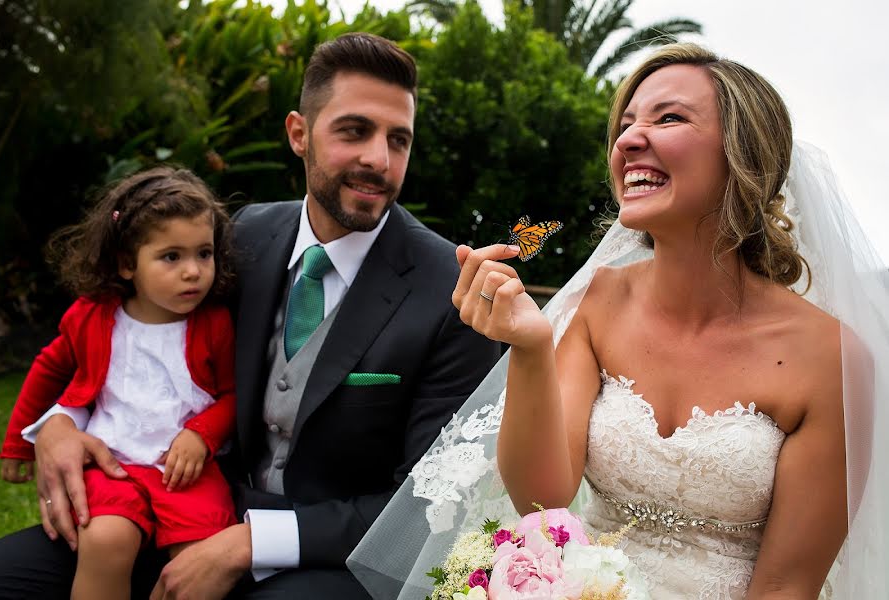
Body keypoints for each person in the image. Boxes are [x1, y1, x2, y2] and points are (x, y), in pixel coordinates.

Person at [348, 43, 889, 599]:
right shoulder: (599, 301)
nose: (628, 140)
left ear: (743, 155)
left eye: (670, 117)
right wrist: (532, 346)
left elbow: (786, 586)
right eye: (626, 124)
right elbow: (542, 499)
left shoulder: (831, 358)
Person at [0, 32, 500, 599]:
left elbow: (430, 504)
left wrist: (248, 543)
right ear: (298, 134)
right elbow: (135, 336)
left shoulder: (452, 292)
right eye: (354, 131)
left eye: (398, 140)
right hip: (182, 505)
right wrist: (60, 424)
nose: (378, 159)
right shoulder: (246, 236)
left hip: (329, 558)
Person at [0, 166, 238, 599]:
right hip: (112, 462)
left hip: (184, 469)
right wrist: (19, 441)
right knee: (106, 540)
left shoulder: (214, 325)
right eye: (171, 257)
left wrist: (202, 435)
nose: (193, 271)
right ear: (128, 264)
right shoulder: (94, 317)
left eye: (204, 253)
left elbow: (231, 395)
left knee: (198, 561)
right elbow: (49, 368)